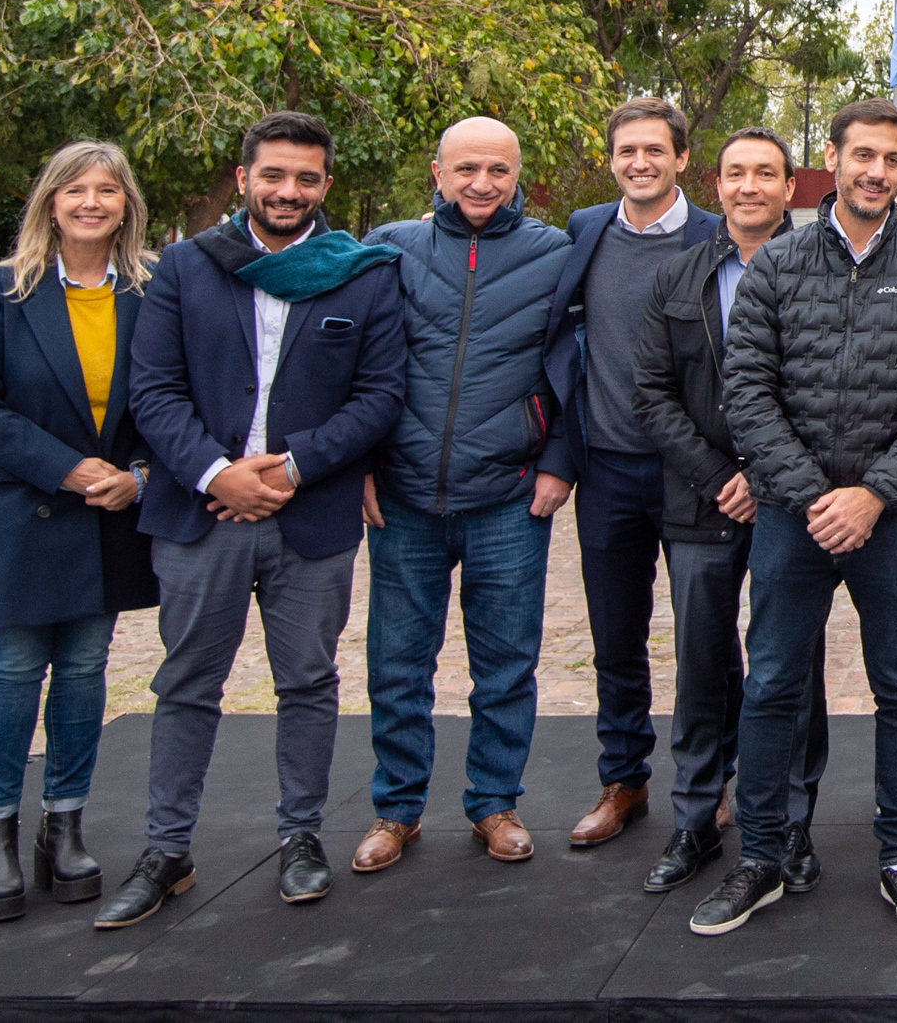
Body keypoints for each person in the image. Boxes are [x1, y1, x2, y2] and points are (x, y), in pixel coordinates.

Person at [105, 112, 406, 929]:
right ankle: (167, 848)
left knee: (308, 682)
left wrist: (296, 465)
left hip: (311, 517)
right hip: (202, 510)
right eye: (273, 174)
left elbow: (380, 394)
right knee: (187, 682)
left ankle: (301, 836)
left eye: (306, 178)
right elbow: (153, 388)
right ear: (244, 179)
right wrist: (217, 472)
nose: (288, 191)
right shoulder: (185, 267)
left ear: (325, 186)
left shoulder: (365, 273)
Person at [690, 100, 897, 939]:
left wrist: (875, 494)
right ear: (833, 157)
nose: (875, 172)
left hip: (894, 519)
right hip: (792, 514)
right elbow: (747, 392)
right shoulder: (777, 265)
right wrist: (815, 494)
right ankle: (763, 856)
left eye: (891, 159)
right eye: (862, 155)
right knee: (775, 682)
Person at [353, 117, 576, 874]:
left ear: (519, 175)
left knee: (507, 663)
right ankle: (397, 807)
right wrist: (359, 464)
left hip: (509, 496)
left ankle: (494, 802)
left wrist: (559, 461)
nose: (482, 183)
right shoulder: (390, 247)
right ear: (437, 173)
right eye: (467, 168)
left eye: (499, 170)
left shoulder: (554, 254)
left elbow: (579, 365)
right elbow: (351, 361)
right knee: (397, 663)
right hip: (403, 498)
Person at [0, 140, 161, 921]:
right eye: (75, 189)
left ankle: (62, 822)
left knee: (83, 667)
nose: (91, 202)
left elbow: (171, 397)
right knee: (13, 666)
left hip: (111, 510)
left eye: (107, 189)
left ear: (126, 204)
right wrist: (68, 469)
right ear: (49, 201)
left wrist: (137, 475)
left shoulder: (151, 289)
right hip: (24, 505)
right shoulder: (3, 289)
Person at [630, 128, 829, 897]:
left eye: (767, 173)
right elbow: (651, 391)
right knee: (704, 664)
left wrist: (770, 472)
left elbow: (829, 390)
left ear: (791, 188)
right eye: (737, 172)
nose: (751, 185)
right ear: (717, 185)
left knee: (791, 667)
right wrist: (720, 474)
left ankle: (791, 821)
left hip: (791, 501)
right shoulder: (678, 277)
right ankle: (695, 818)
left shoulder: (823, 271)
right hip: (701, 501)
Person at [541, 97, 723, 854]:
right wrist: (559, 456)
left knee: (706, 637)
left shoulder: (722, 237)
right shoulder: (584, 232)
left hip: (696, 473)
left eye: (656, 150)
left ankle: (706, 785)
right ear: (612, 158)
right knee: (616, 635)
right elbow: (559, 348)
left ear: (683, 158)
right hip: (608, 468)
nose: (640, 163)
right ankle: (624, 777)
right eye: (627, 152)